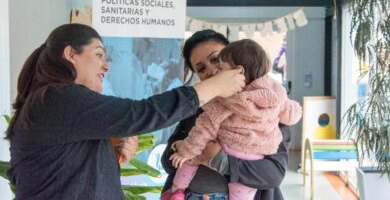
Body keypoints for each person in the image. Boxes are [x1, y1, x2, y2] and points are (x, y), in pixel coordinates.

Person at [5, 24, 245, 199]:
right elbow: (141, 113)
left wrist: (109, 149)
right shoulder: (57, 97)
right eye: (98, 54)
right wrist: (213, 87)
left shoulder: (51, 103)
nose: (106, 65)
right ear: (70, 55)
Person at [161, 30, 293, 200]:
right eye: (201, 69)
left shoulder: (268, 111)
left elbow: (273, 174)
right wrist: (179, 149)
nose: (212, 71)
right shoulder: (198, 108)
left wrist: (217, 158)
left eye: (216, 60)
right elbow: (167, 163)